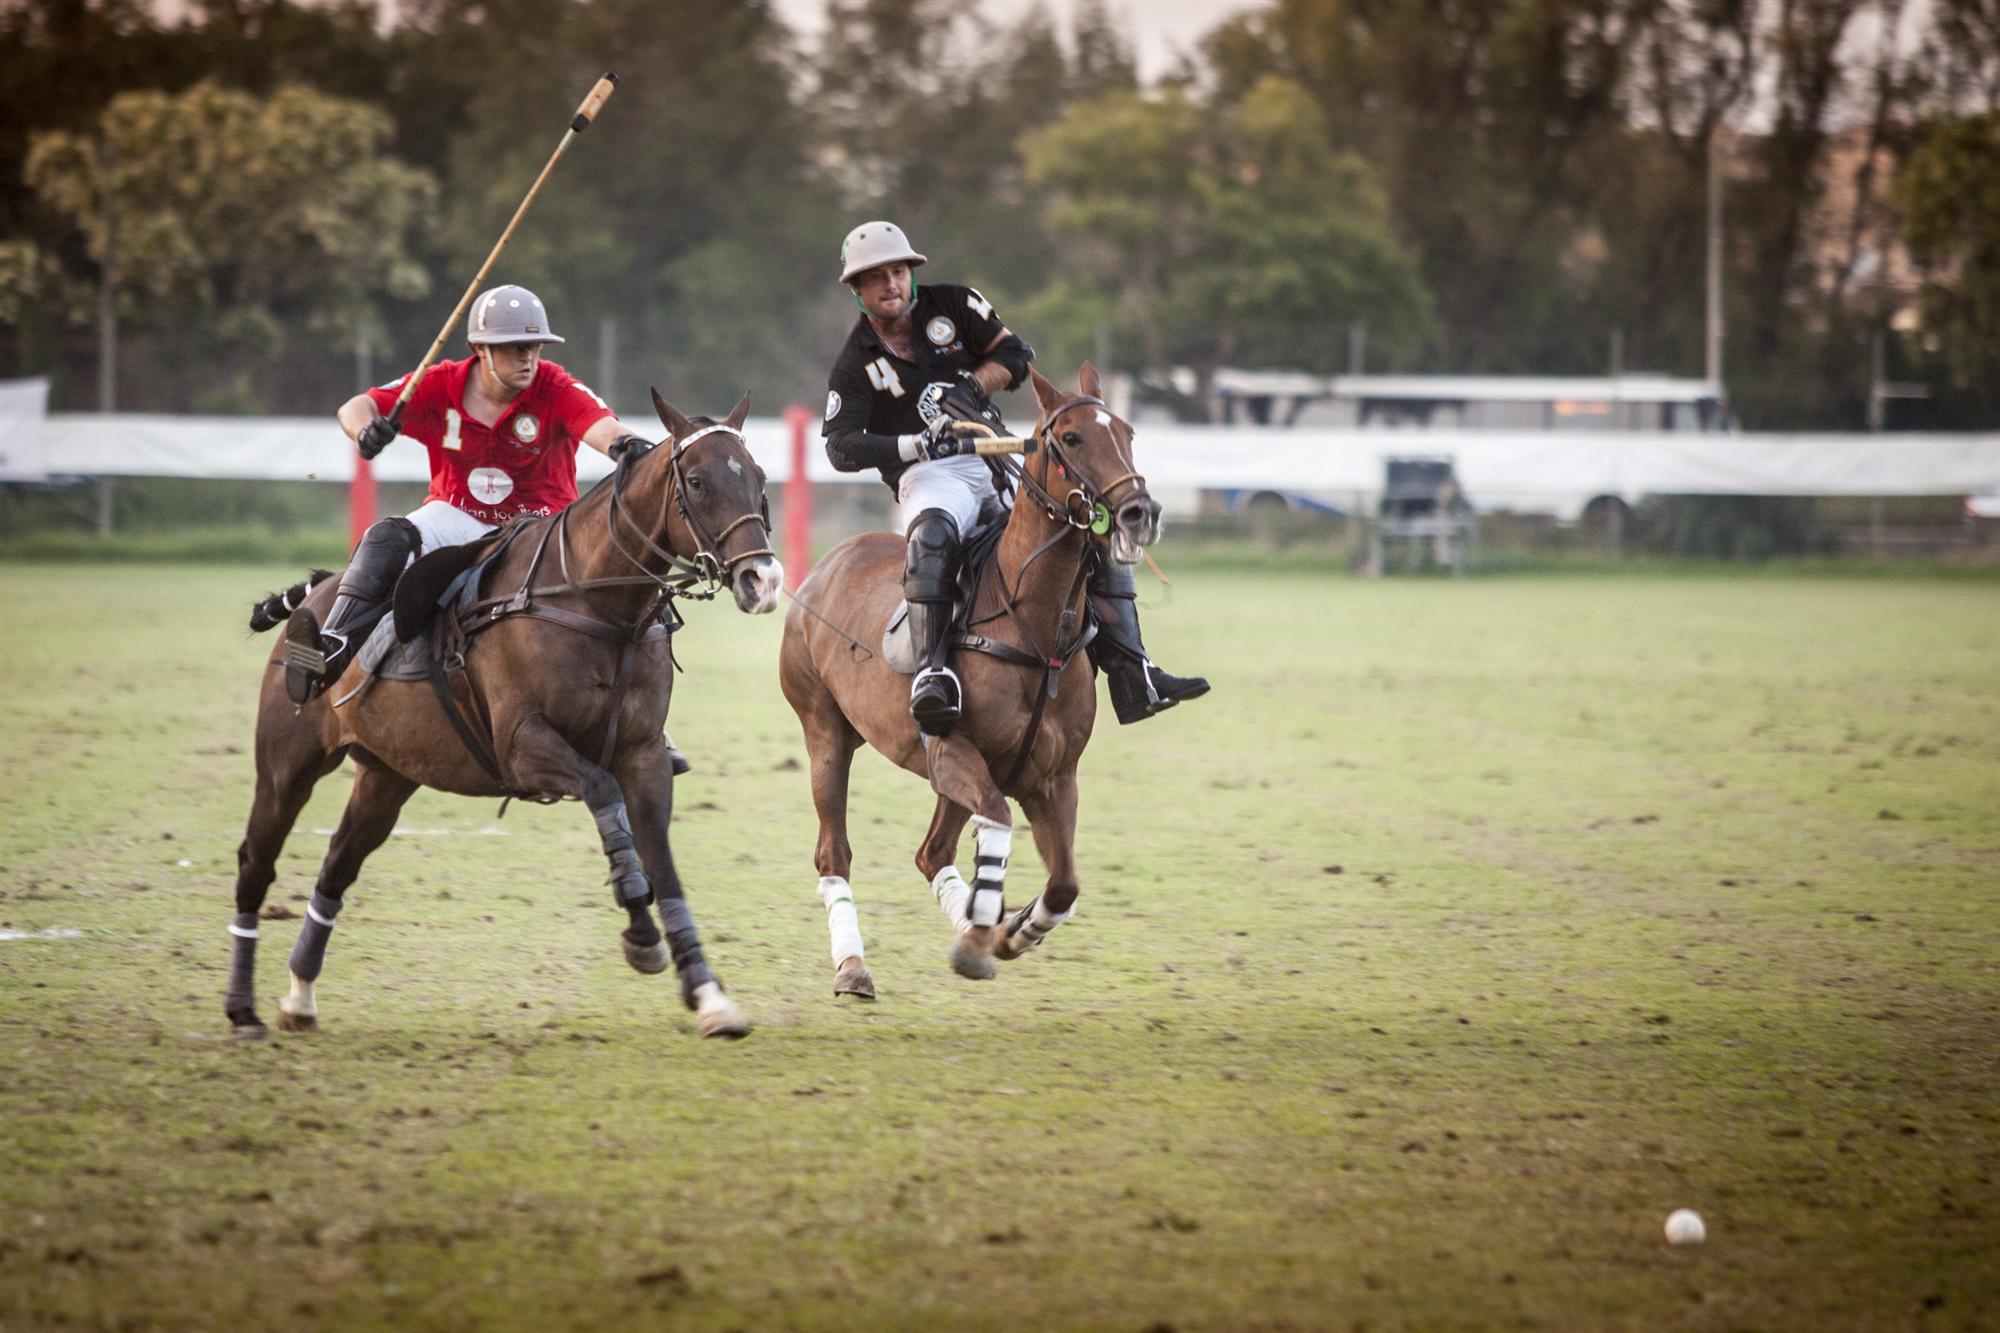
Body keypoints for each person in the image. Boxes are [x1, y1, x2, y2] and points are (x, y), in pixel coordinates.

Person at [820, 221, 1207, 735]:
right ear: (857, 291)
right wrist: (915, 443)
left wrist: (973, 386)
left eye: (898, 271)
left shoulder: (955, 305)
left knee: (1084, 529)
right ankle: (934, 674)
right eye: (875, 277)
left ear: (911, 273)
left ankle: (1134, 673)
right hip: (930, 475)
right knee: (933, 537)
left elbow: (1016, 355)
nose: (890, 283)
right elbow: (839, 447)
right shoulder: (855, 362)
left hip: (997, 458)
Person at [285, 283, 691, 771]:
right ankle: (330, 649)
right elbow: (357, 406)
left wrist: (624, 445)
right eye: (515, 348)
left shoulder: (555, 386)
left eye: (535, 346)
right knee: (386, 537)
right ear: (481, 350)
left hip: (541, 529)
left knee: (628, 581)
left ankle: (648, 725)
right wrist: (365, 430)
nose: (529, 357)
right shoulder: (440, 383)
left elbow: (601, 426)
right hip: (456, 514)